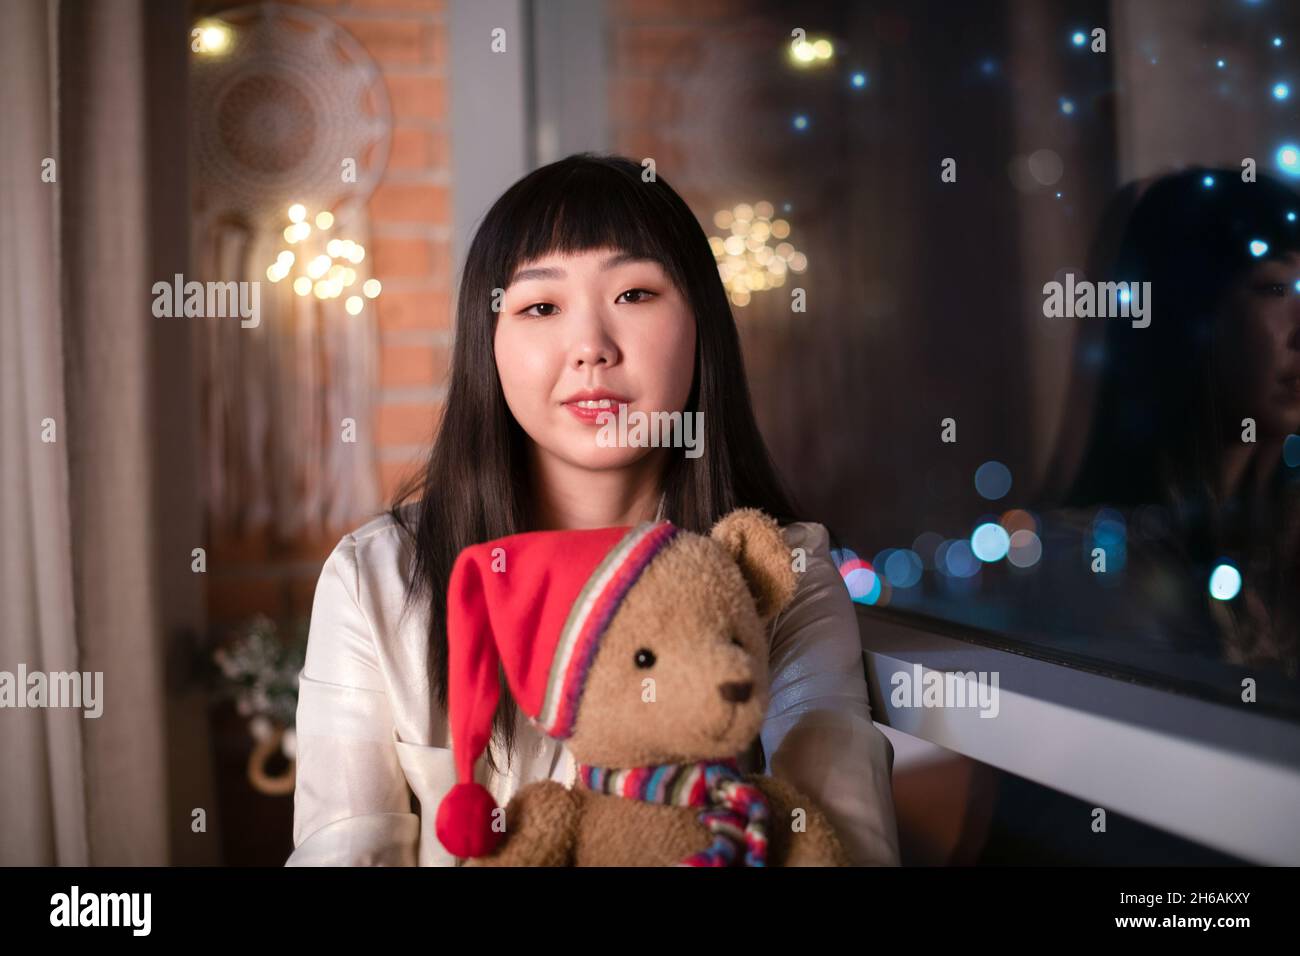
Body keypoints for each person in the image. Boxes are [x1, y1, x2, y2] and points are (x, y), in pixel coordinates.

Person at [285, 153, 902, 866]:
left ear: (701, 322)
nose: (590, 349)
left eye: (635, 294)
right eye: (541, 307)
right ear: (488, 343)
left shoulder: (776, 567)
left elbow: (841, 834)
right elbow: (343, 851)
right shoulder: (379, 578)